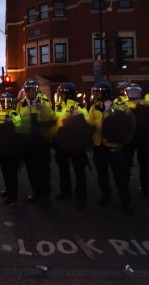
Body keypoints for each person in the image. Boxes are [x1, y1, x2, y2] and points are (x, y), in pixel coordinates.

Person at [88, 81, 133, 215]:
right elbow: (90, 122)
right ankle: (106, 196)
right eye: (95, 91)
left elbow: (124, 124)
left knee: (120, 175)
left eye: (98, 92)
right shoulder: (94, 107)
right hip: (99, 145)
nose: (96, 94)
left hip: (114, 145)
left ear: (106, 92)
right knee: (102, 174)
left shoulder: (119, 106)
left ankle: (126, 201)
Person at [53, 82, 91, 210]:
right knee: (63, 170)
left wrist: (77, 117)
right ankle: (66, 192)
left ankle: (82, 198)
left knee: (79, 171)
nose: (61, 95)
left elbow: (87, 121)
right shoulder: (58, 106)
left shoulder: (78, 106)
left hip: (75, 142)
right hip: (61, 142)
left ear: (68, 93)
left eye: (63, 93)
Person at [16, 78, 53, 207]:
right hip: (27, 141)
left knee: (43, 168)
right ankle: (36, 192)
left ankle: (45, 195)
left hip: (41, 141)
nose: (29, 92)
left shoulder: (45, 102)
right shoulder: (20, 104)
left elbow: (50, 118)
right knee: (31, 168)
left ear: (36, 91)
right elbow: (18, 120)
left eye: (32, 90)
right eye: (27, 90)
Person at [120, 83, 149, 200]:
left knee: (143, 165)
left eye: (134, 92)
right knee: (127, 165)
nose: (133, 94)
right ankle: (125, 188)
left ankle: (145, 188)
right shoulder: (122, 106)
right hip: (130, 138)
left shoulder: (146, 106)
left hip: (140, 138)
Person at [0, 92, 22, 204]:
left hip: (11, 148)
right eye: (3, 102)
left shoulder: (15, 115)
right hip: (1, 148)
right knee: (4, 170)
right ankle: (8, 189)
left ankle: (13, 194)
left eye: (8, 102)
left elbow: (19, 131)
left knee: (12, 173)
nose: (5, 104)